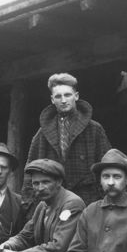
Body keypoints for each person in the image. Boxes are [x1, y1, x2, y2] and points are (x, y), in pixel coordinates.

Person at [25, 73, 111, 206]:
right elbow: (30, 171)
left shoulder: (94, 129)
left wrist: (105, 201)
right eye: (58, 96)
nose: (63, 100)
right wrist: (29, 204)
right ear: (52, 99)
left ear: (76, 96)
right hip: (55, 200)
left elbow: (107, 166)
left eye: (67, 95)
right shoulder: (42, 134)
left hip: (88, 200)